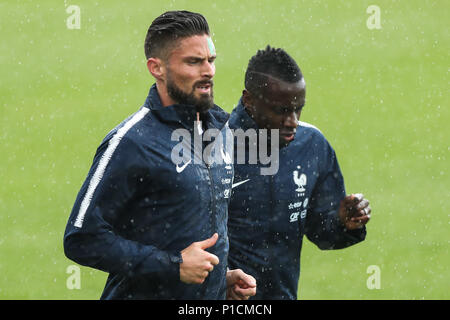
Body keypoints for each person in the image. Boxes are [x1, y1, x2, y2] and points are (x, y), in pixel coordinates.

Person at [63, 10, 255, 300]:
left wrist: (217, 280)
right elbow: (81, 238)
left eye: (210, 60)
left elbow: (187, 233)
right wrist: (174, 266)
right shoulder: (131, 141)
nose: (208, 71)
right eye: (194, 62)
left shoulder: (221, 132)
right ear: (157, 68)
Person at [227, 46, 372, 299]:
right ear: (249, 100)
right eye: (281, 111)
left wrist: (342, 224)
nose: (293, 120)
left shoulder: (312, 146)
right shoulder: (212, 149)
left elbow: (322, 234)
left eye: (298, 109)